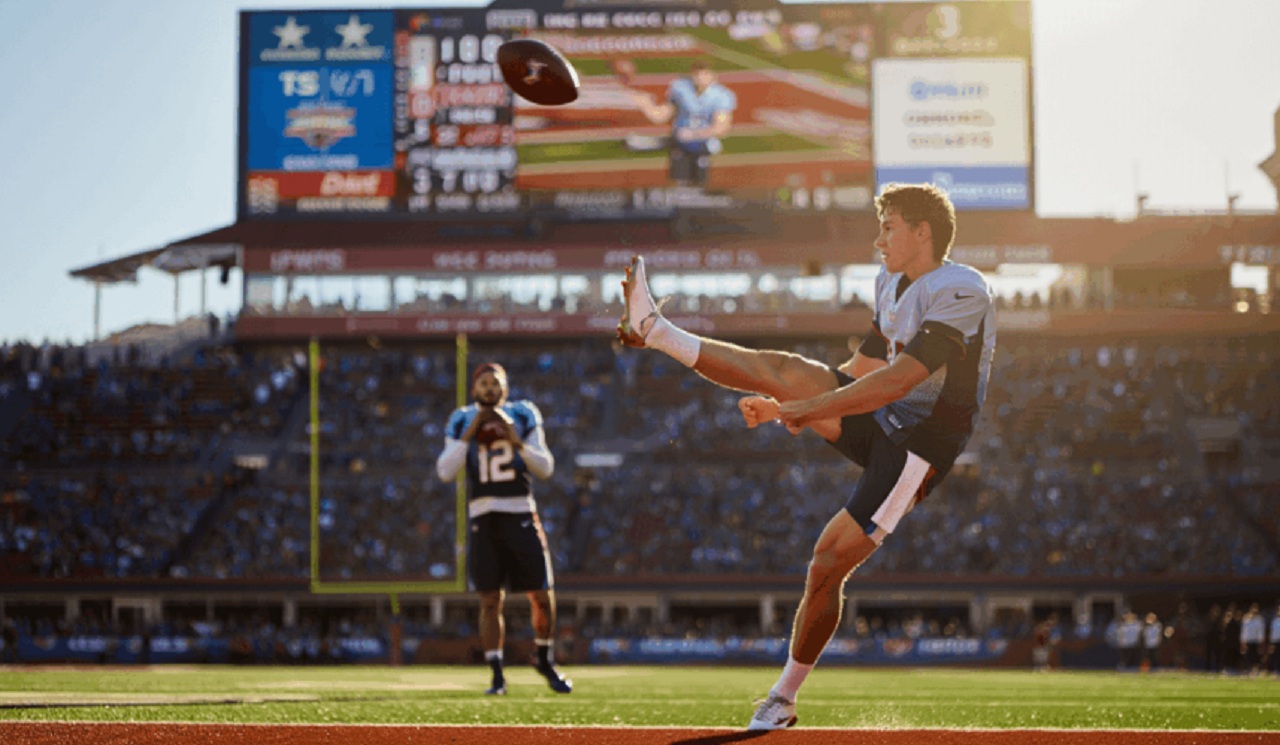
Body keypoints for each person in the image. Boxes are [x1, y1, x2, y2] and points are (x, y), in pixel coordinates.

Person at [616, 182, 996, 730]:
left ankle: (783, 698)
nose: (878, 239)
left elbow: (901, 380)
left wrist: (800, 409)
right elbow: (865, 368)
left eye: (888, 227)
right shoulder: (889, 281)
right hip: (879, 417)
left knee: (827, 561)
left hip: (917, 446)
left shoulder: (963, 288)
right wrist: (790, 399)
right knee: (785, 369)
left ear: (922, 232)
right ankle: (657, 331)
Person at [435, 362, 571, 695]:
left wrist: (515, 439)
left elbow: (545, 468)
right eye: (483, 383)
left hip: (520, 511)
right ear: (474, 389)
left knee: (542, 594)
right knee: (490, 599)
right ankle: (496, 674)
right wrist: (471, 431)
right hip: (483, 516)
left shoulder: (522, 413)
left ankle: (544, 658)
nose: (489, 388)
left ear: (505, 388)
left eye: (495, 383)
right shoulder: (461, 418)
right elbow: (445, 471)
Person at [631, 61, 736, 187]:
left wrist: (694, 134)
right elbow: (662, 115)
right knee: (678, 184)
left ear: (713, 76)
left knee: (700, 185)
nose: (700, 78)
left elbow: (721, 127)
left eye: (705, 74)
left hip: (703, 145)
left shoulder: (721, 96)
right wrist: (647, 106)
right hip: (680, 145)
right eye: (697, 74)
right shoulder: (681, 89)